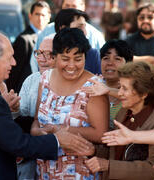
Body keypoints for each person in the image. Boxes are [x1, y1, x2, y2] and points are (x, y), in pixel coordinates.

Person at [0, 29, 95, 180]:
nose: (14, 63)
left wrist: (35, 124)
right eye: (10, 57)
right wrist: (57, 140)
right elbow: (18, 144)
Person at [30, 28, 109, 179]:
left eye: (78, 59)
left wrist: (62, 129)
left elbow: (101, 134)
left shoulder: (93, 86)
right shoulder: (45, 79)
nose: (71, 65)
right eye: (65, 59)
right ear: (54, 57)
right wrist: (42, 134)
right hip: (44, 171)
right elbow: (36, 122)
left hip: (79, 172)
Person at [85, 61, 154, 180]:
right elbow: (116, 153)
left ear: (143, 94)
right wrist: (93, 151)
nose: (119, 93)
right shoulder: (123, 113)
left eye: (125, 89)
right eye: (120, 87)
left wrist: (109, 166)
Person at [16, 35, 55, 180]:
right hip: (32, 156)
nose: (42, 58)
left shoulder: (74, 85)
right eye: (39, 53)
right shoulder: (31, 80)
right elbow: (22, 118)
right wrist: (13, 110)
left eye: (49, 54)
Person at [30, 0, 105, 73]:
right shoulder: (47, 37)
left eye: (78, 59)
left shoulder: (93, 52)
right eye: (67, 6)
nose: (85, 32)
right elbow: (36, 65)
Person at [82, 39, 133, 129]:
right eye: (106, 58)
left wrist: (108, 90)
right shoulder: (89, 86)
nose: (110, 63)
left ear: (128, 64)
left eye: (117, 59)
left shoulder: (136, 90)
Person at [6, 1, 51, 93]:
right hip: (25, 91)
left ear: (49, 17)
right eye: (37, 14)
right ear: (30, 16)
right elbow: (15, 73)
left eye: (43, 15)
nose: (40, 18)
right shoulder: (24, 40)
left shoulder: (52, 38)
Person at [54, 8, 101, 74]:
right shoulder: (47, 50)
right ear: (63, 28)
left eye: (78, 59)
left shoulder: (92, 54)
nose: (85, 32)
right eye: (79, 27)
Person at [126, 3, 154, 70]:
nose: (145, 20)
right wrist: (151, 59)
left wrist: (135, 60)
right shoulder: (130, 40)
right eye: (141, 17)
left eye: (150, 17)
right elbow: (123, 61)